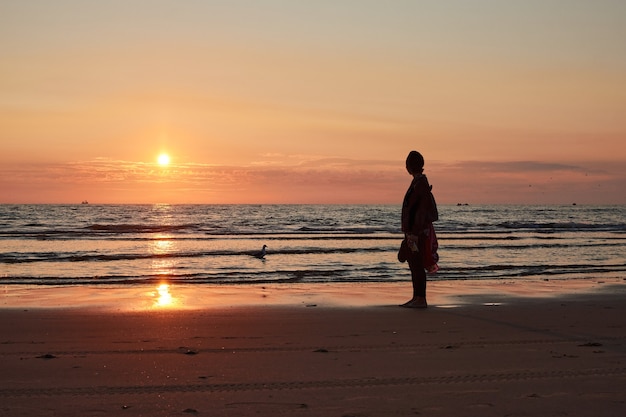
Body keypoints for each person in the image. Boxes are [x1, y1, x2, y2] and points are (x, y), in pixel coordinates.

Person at [399, 150, 438, 308]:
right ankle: (417, 297)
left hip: (418, 232)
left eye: (408, 163)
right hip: (414, 231)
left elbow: (420, 210)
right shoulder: (418, 182)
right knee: (413, 263)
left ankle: (420, 298)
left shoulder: (420, 184)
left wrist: (414, 233)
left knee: (416, 264)